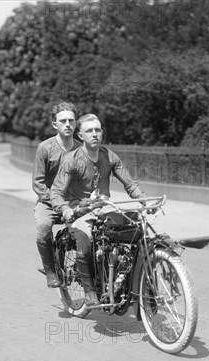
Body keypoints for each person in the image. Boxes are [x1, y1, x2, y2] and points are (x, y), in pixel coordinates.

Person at [50, 113, 145, 305]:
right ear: (80, 136)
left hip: (103, 208)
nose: (94, 134)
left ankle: (129, 280)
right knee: (84, 242)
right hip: (78, 211)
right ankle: (89, 290)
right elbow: (56, 192)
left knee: (135, 229)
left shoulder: (109, 156)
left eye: (97, 130)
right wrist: (65, 209)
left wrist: (143, 199)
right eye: (89, 131)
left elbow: (130, 183)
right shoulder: (71, 160)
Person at [33, 102, 82, 288]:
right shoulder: (44, 148)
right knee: (44, 227)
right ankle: (50, 271)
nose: (67, 124)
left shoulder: (82, 149)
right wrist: (56, 202)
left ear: (76, 123)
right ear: (55, 125)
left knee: (96, 229)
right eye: (63, 121)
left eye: (71, 120)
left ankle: (87, 270)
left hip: (75, 202)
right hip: (48, 202)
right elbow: (38, 183)